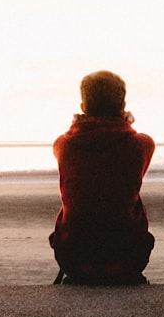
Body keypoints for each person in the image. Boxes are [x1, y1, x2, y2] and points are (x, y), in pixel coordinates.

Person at [50, 70, 155, 285]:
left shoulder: (63, 145)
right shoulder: (141, 145)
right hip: (128, 256)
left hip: (73, 256)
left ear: (83, 107)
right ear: (123, 104)